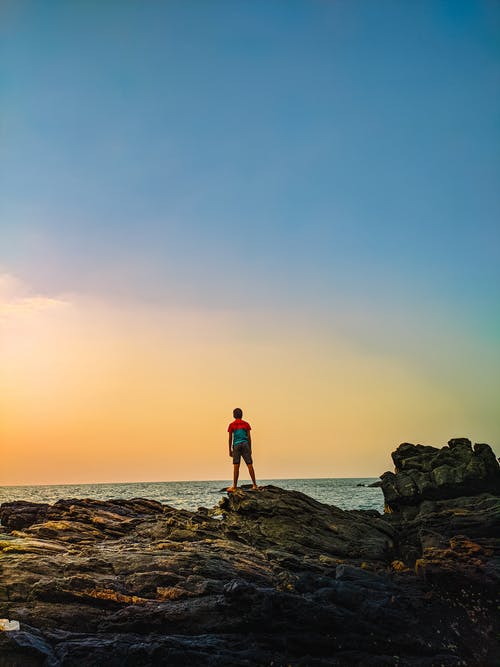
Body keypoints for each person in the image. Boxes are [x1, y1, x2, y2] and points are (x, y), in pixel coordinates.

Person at [227, 407, 258, 492]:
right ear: (242, 415)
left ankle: (234, 486)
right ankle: (254, 485)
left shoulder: (232, 425)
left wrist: (230, 450)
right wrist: (250, 448)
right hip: (245, 444)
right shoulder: (246, 424)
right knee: (249, 464)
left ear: (234, 415)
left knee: (236, 466)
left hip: (236, 445)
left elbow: (230, 438)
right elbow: (249, 438)